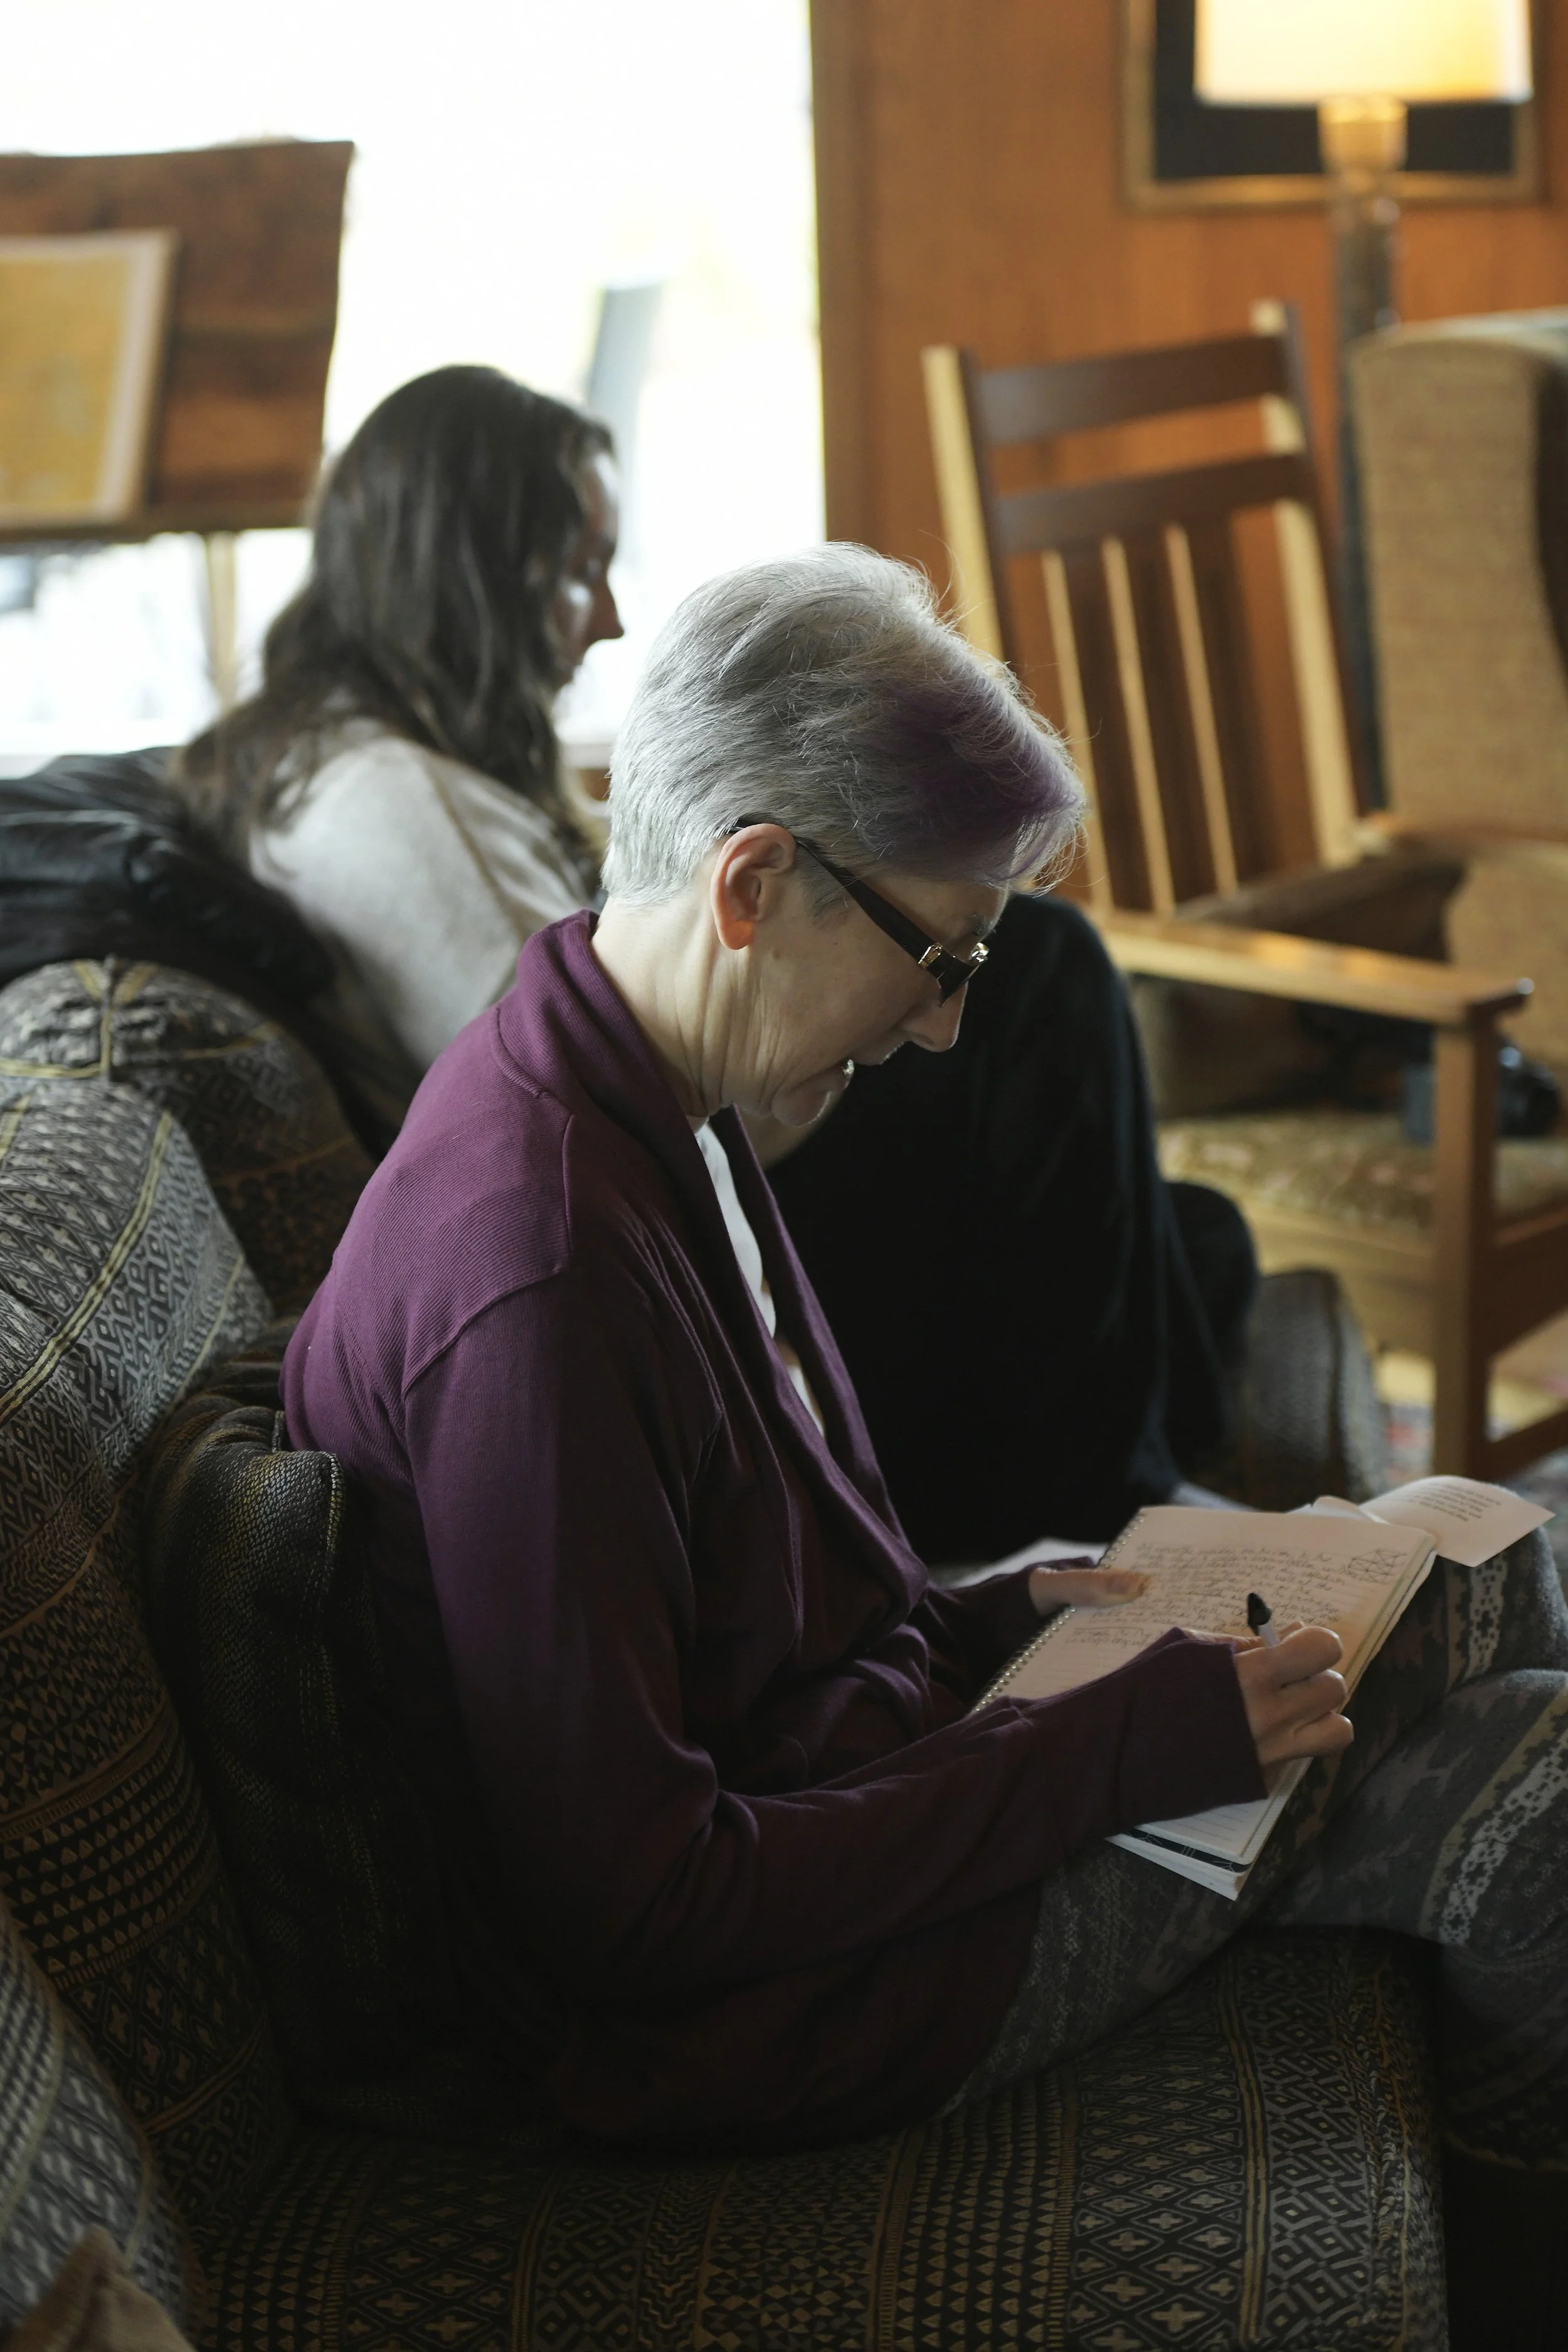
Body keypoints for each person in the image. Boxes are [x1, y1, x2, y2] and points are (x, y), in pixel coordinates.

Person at [285, 548, 1568, 2161]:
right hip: (766, 2008)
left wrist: (986, 1618)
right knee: (1534, 1792)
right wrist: (1108, 1745)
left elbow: (736, 1619)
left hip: (873, 1802)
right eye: (943, 957)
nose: (948, 1026)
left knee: (1477, 1549)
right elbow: (634, 1910)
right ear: (751, 885)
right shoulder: (532, 1273)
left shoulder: (642, 1080)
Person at [178, 364, 1251, 1556]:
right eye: (577, 566)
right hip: (678, 1185)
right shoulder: (385, 803)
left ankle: (1131, 1459)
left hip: (688, 1158)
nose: (609, 617)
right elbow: (591, 1067)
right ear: (467, 567)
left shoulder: (363, 759)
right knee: (1047, 972)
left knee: (1194, 1237)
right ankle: (1091, 1507)